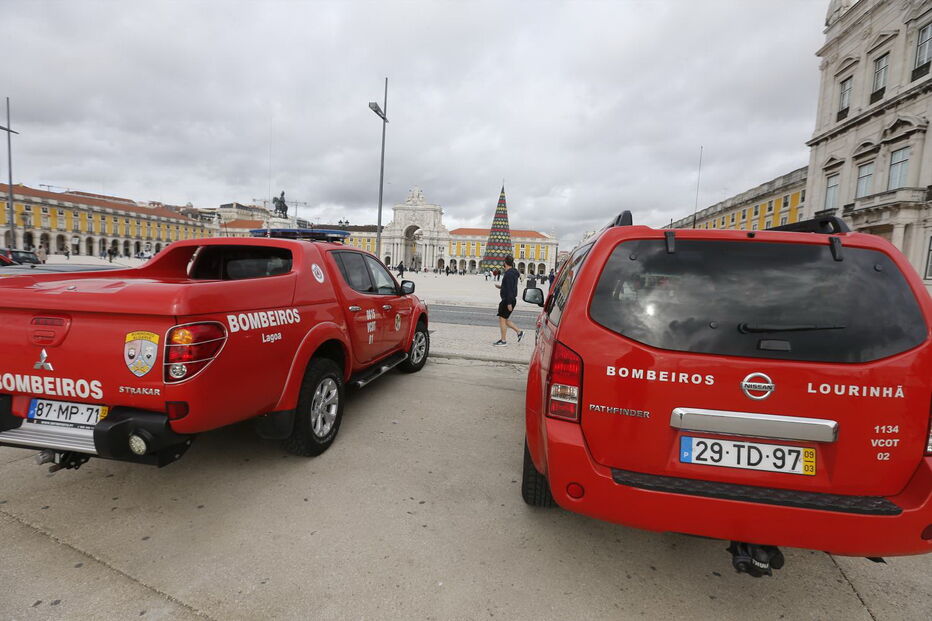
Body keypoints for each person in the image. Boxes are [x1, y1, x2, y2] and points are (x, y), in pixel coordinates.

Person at [493, 256, 523, 346]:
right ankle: (519, 332)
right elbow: (510, 287)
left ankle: (503, 340)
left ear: (505, 263)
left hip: (507, 300)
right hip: (509, 298)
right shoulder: (513, 273)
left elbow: (510, 288)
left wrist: (509, 303)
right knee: (503, 319)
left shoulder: (509, 274)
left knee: (502, 319)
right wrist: (501, 287)